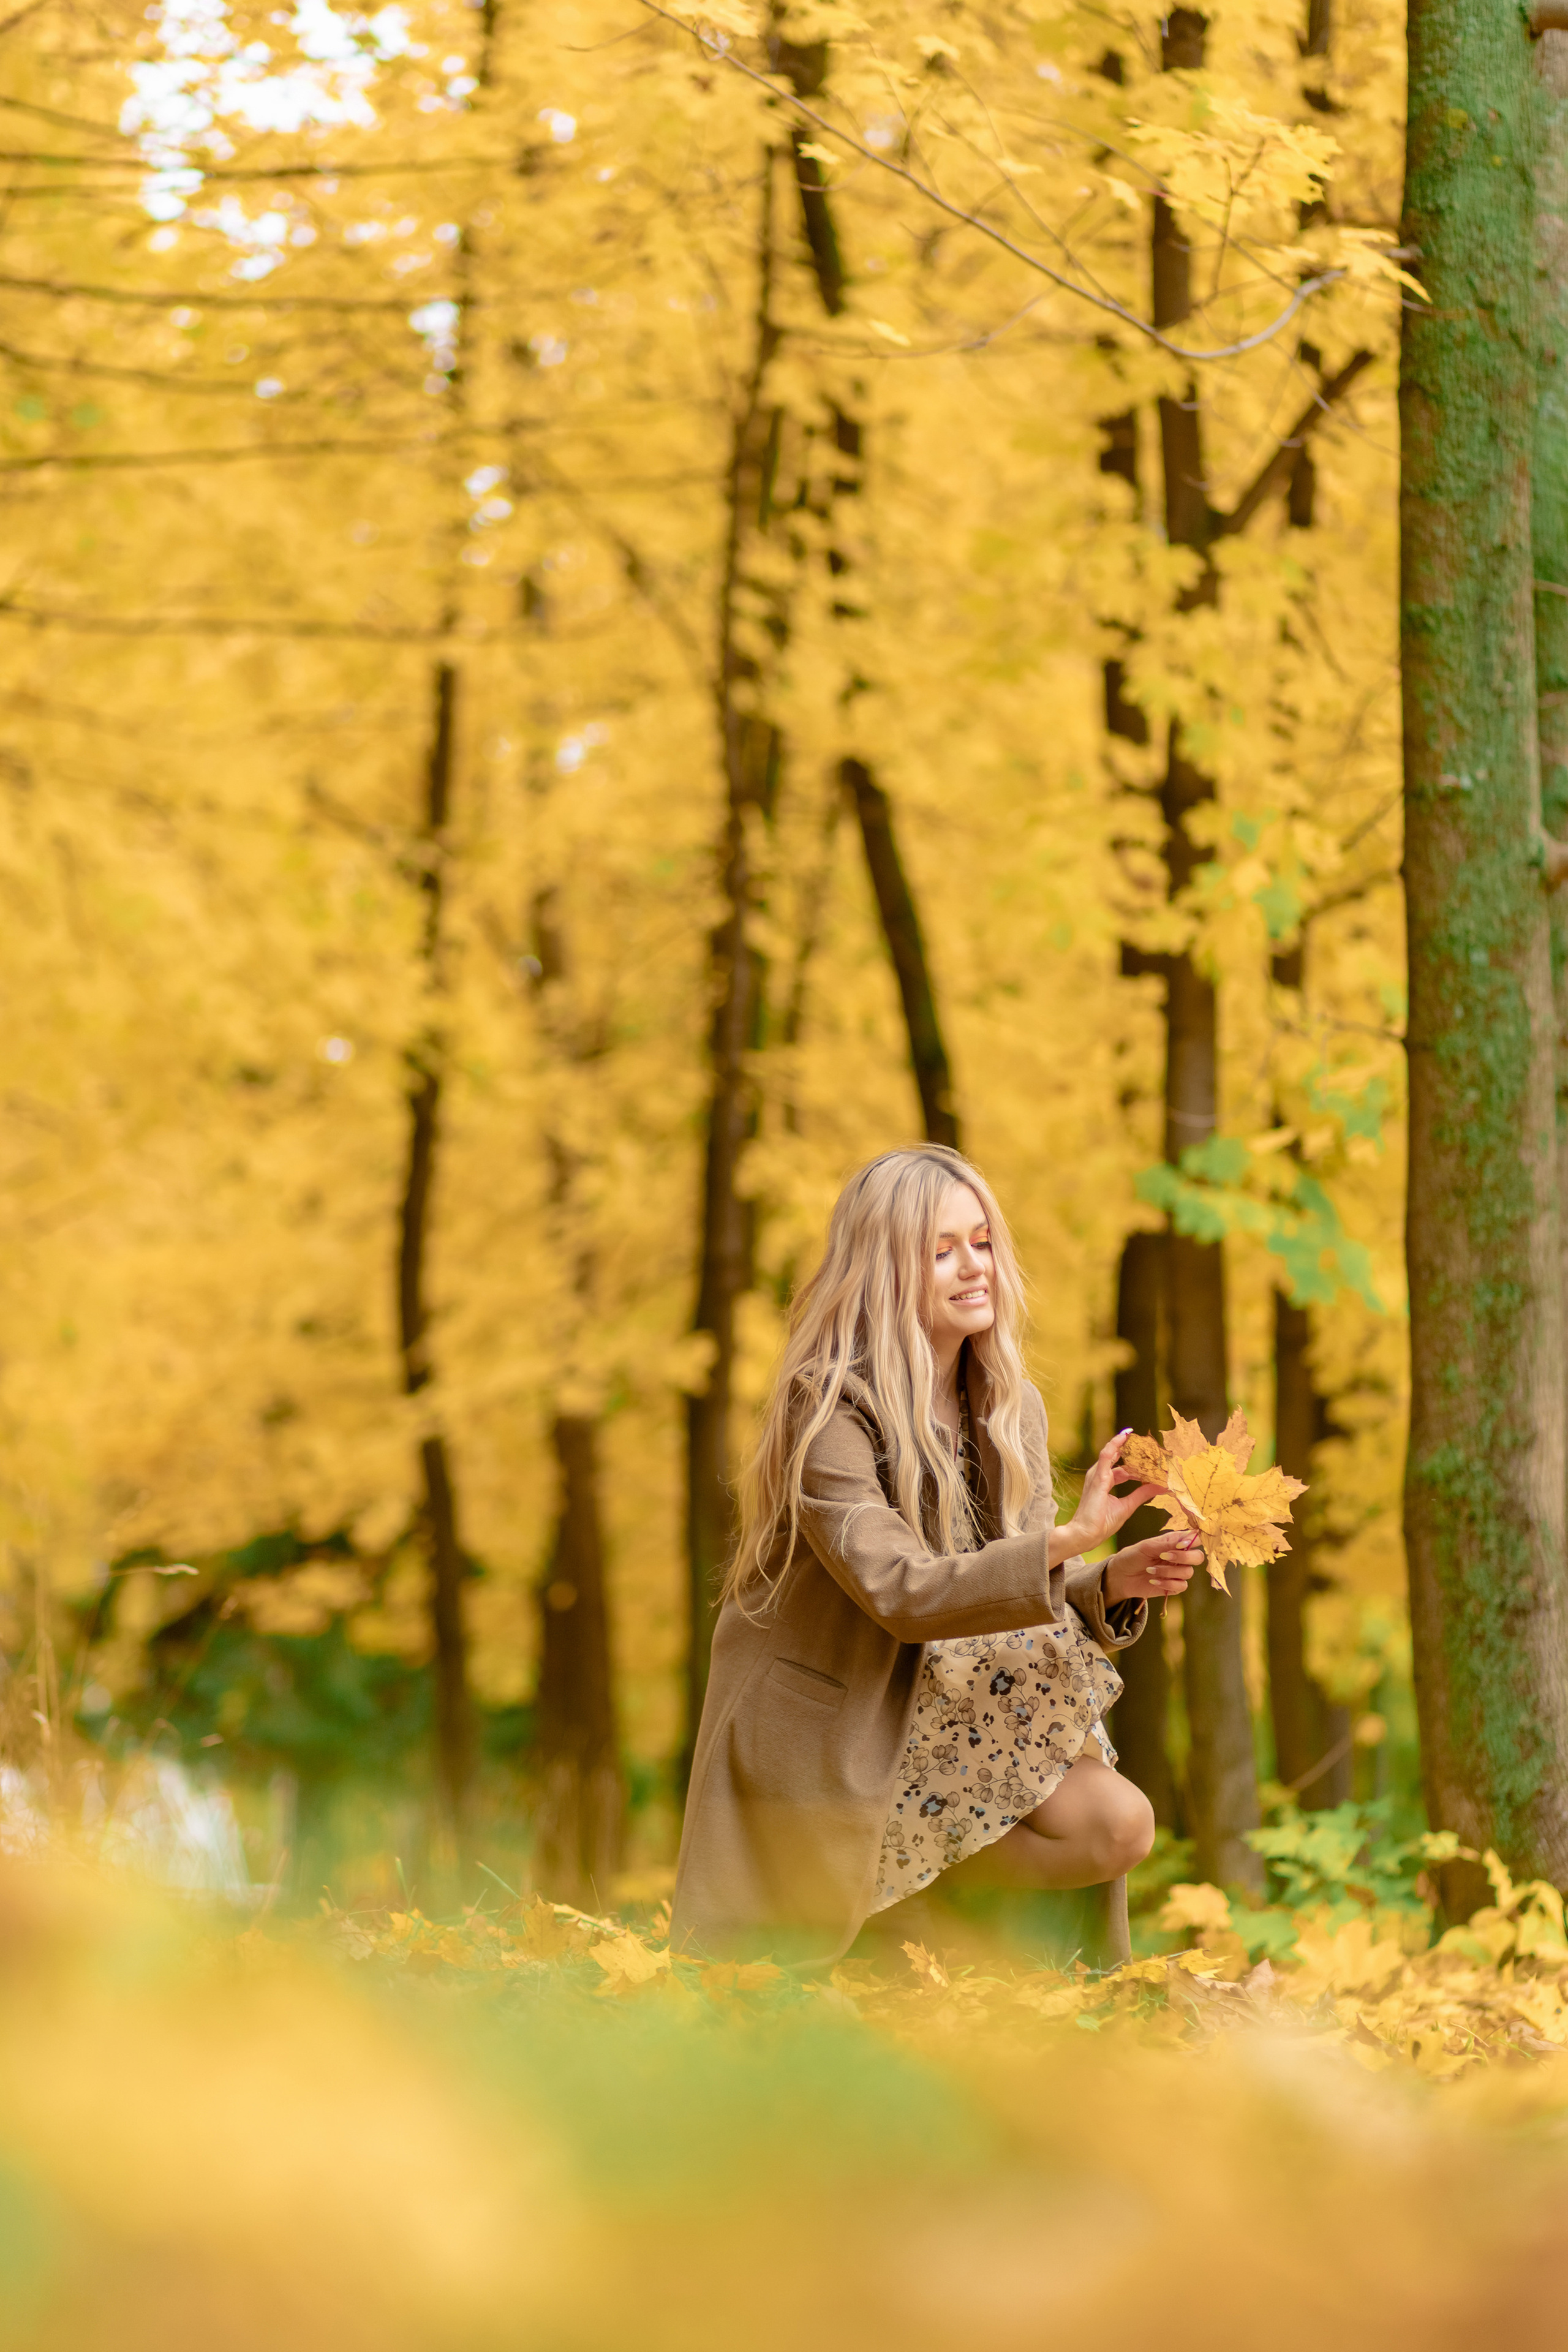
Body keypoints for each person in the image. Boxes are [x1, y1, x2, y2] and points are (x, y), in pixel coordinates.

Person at [671, 1144, 1200, 1964]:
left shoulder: (1008, 1407)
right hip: (846, 1717)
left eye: (982, 1242)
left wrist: (1108, 1582)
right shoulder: (827, 1406)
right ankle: (891, 1913)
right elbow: (901, 1593)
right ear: (885, 1269)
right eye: (941, 1250)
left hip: (957, 1706)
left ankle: (916, 1894)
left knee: (1120, 1825)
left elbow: (1003, 1588)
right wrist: (1067, 1542)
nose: (972, 1267)